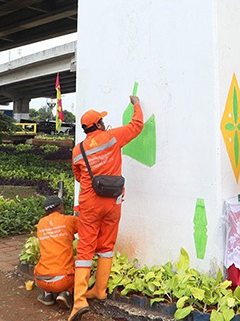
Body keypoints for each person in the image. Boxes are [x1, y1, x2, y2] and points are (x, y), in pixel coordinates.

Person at [69, 95, 144, 321]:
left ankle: (80, 300)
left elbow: (79, 178)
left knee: (85, 250)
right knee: (107, 245)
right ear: (99, 125)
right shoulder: (113, 137)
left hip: (90, 204)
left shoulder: (78, 150)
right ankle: (100, 290)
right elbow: (137, 126)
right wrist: (137, 104)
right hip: (113, 202)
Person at [34, 195, 78, 309]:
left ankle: (47, 294)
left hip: (40, 279)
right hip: (62, 281)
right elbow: (85, 227)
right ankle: (66, 293)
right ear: (60, 207)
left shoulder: (41, 223)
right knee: (81, 266)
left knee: (44, 262)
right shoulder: (68, 220)